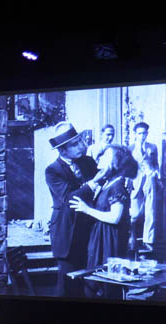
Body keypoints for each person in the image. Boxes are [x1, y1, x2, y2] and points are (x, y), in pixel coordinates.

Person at [45, 121, 106, 297]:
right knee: (68, 285)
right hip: (67, 232)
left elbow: (103, 185)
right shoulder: (53, 171)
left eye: (80, 141)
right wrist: (93, 183)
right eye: (75, 144)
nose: (81, 146)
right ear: (62, 150)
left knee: (91, 283)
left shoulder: (88, 162)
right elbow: (69, 198)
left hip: (90, 229)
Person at [68, 145, 133, 298]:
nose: (100, 157)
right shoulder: (107, 183)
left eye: (105, 155)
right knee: (96, 283)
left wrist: (86, 210)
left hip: (110, 241)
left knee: (107, 285)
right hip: (101, 238)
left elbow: (115, 217)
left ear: (114, 162)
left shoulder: (117, 186)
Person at [128, 122, 162, 252]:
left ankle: (149, 240)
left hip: (149, 179)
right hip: (135, 181)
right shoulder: (130, 148)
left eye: (144, 133)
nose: (142, 136)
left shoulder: (152, 147)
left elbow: (156, 164)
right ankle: (132, 238)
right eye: (139, 133)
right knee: (134, 213)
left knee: (150, 210)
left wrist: (156, 175)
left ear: (147, 134)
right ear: (135, 134)